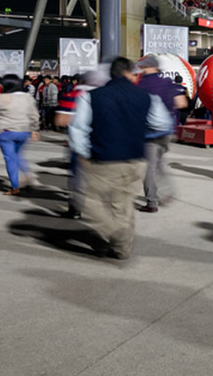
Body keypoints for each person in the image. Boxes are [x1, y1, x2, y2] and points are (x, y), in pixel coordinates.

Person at [68, 56, 172, 260]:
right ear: (128, 73)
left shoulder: (91, 96)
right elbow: (162, 124)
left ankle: (115, 231)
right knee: (123, 205)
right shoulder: (146, 96)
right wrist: (141, 131)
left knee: (89, 201)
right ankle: (122, 248)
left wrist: (84, 153)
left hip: (103, 159)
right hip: (135, 159)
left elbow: (77, 129)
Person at [136, 57, 189, 212]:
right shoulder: (168, 83)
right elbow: (182, 103)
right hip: (167, 132)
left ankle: (152, 202)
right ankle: (167, 190)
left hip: (150, 134)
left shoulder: (142, 84)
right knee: (158, 163)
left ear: (146, 67)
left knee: (149, 168)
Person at [0, 74, 41, 194]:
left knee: (10, 159)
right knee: (18, 155)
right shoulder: (28, 97)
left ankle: (15, 187)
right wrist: (35, 129)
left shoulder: (1, 98)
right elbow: (35, 115)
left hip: (6, 132)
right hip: (24, 131)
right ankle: (26, 174)